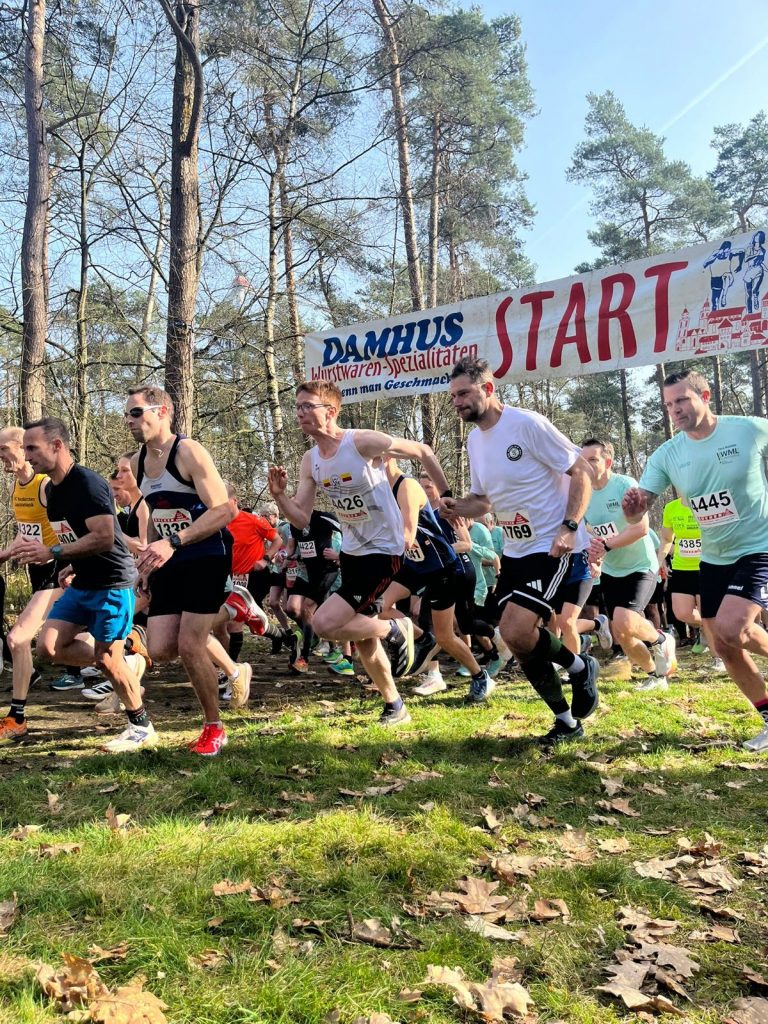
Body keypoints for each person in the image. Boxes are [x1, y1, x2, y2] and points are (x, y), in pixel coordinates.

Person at [268, 379, 450, 726]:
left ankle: (396, 631)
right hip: (352, 551)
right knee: (361, 634)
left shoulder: (361, 441)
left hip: (384, 549)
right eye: (297, 407)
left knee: (324, 622)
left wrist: (447, 495)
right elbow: (302, 518)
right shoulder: (311, 460)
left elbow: (423, 450)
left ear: (331, 411)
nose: (300, 413)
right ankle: (395, 705)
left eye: (308, 406)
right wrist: (280, 496)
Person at [443, 357, 599, 745]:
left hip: (552, 546)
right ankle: (571, 701)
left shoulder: (526, 424)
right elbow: (484, 501)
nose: (457, 402)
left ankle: (577, 682)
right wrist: (459, 507)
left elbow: (582, 472)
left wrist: (569, 527)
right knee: (517, 638)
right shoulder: (474, 440)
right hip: (514, 549)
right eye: (453, 396)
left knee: (515, 629)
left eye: (464, 393)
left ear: (488, 389)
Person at [623, 368, 768, 752]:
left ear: (705, 395)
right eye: (669, 404)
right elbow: (641, 507)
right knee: (723, 645)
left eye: (682, 400)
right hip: (714, 556)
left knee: (733, 628)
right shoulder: (668, 454)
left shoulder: (750, 429)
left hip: (759, 546)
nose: (675, 410)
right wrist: (635, 508)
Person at [14, 418, 153, 753]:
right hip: (83, 582)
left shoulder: (88, 484)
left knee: (107, 659)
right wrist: (71, 563)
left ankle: (141, 725)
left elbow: (105, 537)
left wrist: (54, 552)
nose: (27, 454)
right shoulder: (53, 490)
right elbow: (77, 534)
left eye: (32, 447)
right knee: (48, 647)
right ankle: (126, 659)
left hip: (112, 583)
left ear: (57, 445)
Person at [127, 386, 236, 756]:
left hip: (206, 552)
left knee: (190, 645)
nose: (130, 420)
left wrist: (173, 542)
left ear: (163, 411)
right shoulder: (139, 460)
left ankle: (214, 727)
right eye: (128, 414)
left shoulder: (188, 451)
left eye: (137, 412)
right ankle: (231, 608)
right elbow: (158, 516)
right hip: (171, 558)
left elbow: (225, 511)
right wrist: (148, 563)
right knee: (160, 647)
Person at [379, 458, 493, 702]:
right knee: (383, 607)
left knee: (448, 635)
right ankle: (422, 638)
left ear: (387, 457)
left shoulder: (407, 486)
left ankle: (479, 675)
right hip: (415, 564)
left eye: (373, 458)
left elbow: (408, 533)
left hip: (442, 568)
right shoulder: (381, 489)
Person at [582, 438, 677, 691]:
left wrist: (607, 546)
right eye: (584, 460)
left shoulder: (625, 485)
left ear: (608, 462)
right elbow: (594, 533)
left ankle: (660, 639)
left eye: (593, 459)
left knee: (625, 620)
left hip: (640, 565)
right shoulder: (584, 493)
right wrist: (596, 556)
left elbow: (642, 528)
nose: (587, 465)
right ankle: (656, 675)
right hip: (612, 569)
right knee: (621, 634)